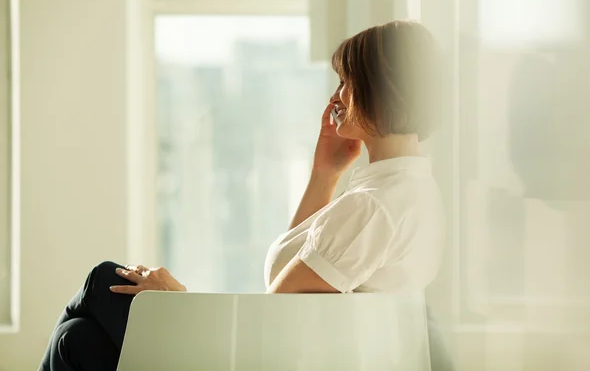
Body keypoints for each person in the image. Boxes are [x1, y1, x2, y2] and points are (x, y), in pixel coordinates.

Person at [39, 20, 446, 370]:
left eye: (346, 81)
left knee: (101, 280)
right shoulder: (406, 192)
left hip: (257, 360)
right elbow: (288, 279)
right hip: (283, 354)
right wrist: (325, 173)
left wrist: (176, 301)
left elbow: (270, 325)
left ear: (380, 88)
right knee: (76, 342)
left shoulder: (373, 206)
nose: (335, 97)